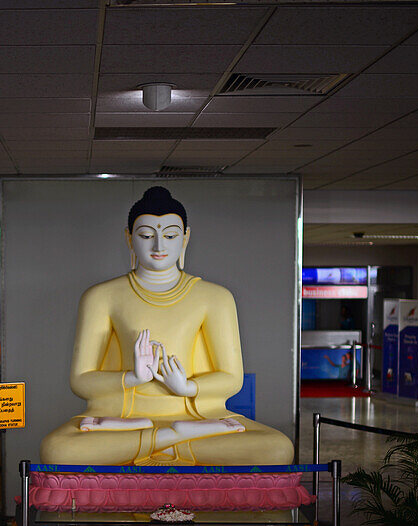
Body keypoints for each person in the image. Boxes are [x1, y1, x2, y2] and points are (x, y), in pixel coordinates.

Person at [39, 186, 294, 466]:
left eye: (170, 235)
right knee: (58, 449)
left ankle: (159, 440)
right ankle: (171, 438)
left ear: (185, 238)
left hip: (198, 416)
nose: (159, 246)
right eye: (146, 235)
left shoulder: (216, 297)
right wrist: (132, 378)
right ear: (129, 238)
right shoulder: (101, 296)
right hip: (124, 420)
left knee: (277, 448)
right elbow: (81, 380)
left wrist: (187, 387)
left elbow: (232, 378)